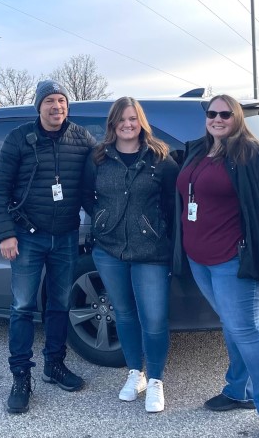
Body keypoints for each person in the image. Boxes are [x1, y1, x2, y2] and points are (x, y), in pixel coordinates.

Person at [172, 94, 259, 438]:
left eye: (226, 114)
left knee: (246, 331)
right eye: (212, 113)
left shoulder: (255, 155)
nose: (218, 119)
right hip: (199, 259)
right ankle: (238, 391)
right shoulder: (198, 149)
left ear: (237, 118)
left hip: (235, 261)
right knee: (231, 326)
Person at [0, 80, 96, 414]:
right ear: (38, 106)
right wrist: (6, 234)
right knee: (22, 306)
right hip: (26, 236)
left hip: (65, 235)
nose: (56, 107)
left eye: (62, 101)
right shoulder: (19, 138)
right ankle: (21, 375)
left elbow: (98, 181)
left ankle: (55, 364)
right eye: (49, 101)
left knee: (60, 304)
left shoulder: (82, 139)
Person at [81, 97, 179, 413]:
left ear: (141, 123)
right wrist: (102, 220)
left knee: (153, 318)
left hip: (151, 251)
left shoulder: (160, 159)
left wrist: (154, 228)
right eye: (121, 119)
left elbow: (172, 203)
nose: (127, 124)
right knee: (123, 313)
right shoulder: (98, 158)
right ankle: (134, 373)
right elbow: (86, 195)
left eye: (133, 119)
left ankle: (155, 381)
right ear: (112, 124)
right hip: (109, 250)